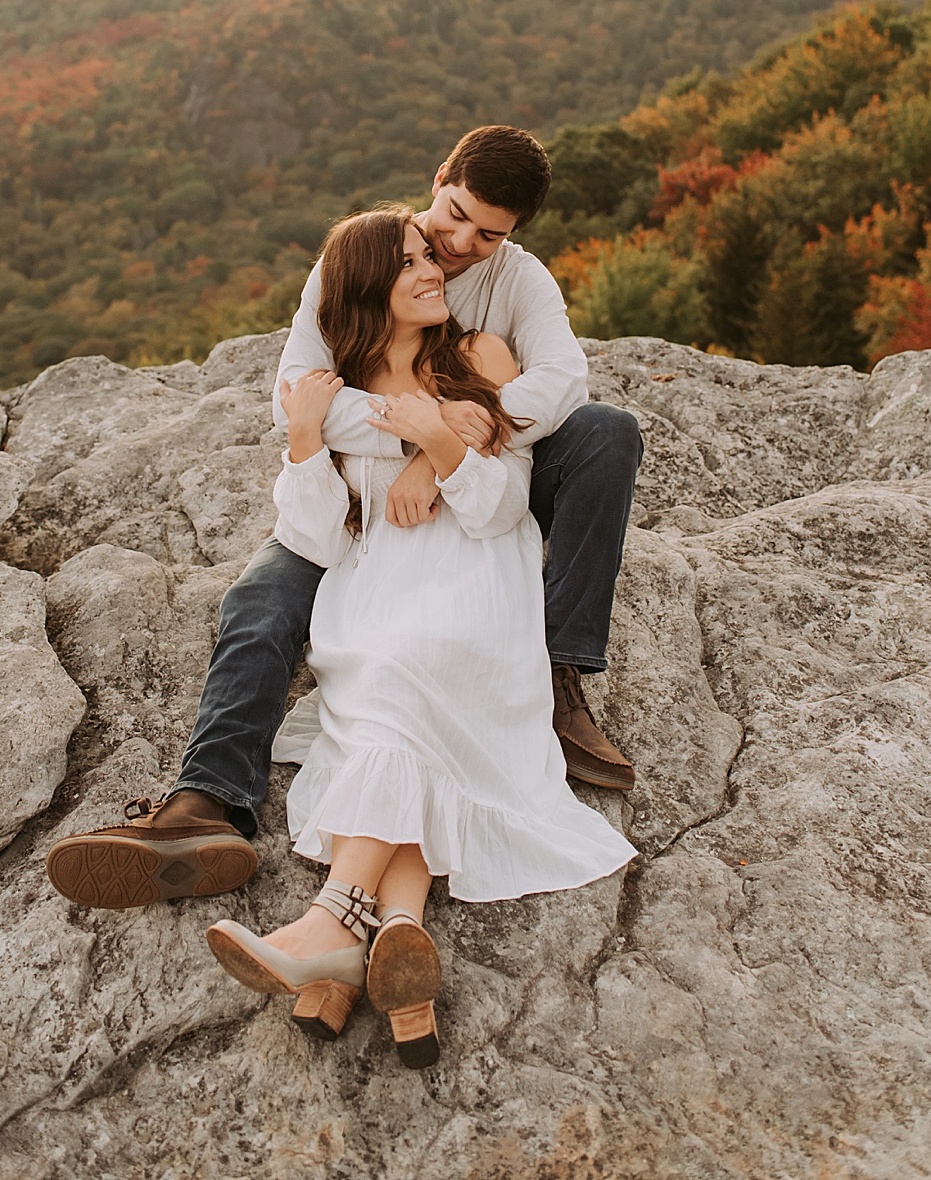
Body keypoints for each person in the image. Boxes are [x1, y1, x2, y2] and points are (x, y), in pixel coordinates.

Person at [44, 125, 645, 910]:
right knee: (260, 604)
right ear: (440, 179)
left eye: (487, 233)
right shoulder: (360, 257)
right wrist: (415, 430)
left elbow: (562, 381)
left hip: (483, 477)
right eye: (454, 214)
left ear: (514, 233)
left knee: (605, 432)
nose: (459, 243)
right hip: (354, 496)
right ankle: (206, 802)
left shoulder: (519, 285)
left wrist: (451, 441)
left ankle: (561, 678)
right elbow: (299, 398)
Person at [201, 207, 634, 1066]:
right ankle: (394, 933)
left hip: (476, 576)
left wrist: (437, 437)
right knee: (391, 681)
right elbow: (317, 541)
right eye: (409, 264)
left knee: (407, 676)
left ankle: (330, 924)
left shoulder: (481, 359)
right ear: (368, 289)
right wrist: (301, 442)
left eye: (426, 258)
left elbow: (505, 507)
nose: (433, 268)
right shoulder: (331, 390)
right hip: (372, 584)